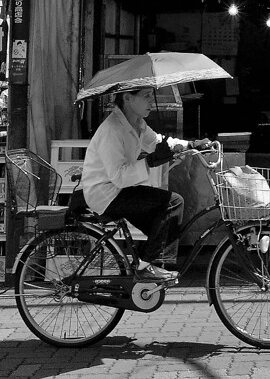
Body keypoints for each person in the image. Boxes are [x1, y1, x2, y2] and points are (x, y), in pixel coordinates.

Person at [73, 86, 207, 283]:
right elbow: (118, 176)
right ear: (127, 98)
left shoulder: (136, 123)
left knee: (161, 224)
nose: (151, 101)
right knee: (173, 203)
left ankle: (145, 262)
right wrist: (149, 162)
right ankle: (151, 266)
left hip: (119, 190)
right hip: (106, 193)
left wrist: (190, 145)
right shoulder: (112, 130)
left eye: (151, 96)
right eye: (145, 96)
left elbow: (158, 142)